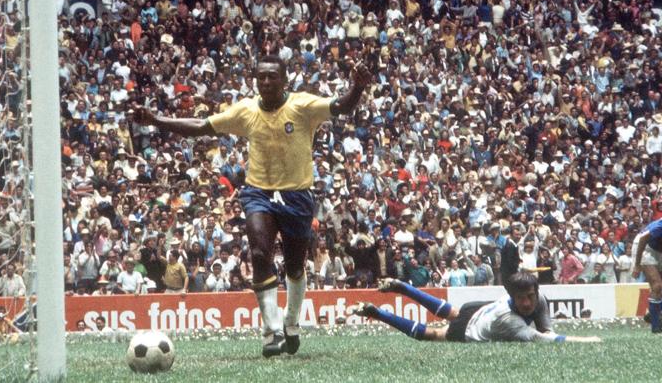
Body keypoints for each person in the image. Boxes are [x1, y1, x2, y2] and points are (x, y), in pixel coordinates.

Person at [134, 55, 371, 357]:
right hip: (258, 192)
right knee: (259, 253)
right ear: (255, 81)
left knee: (296, 265)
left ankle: (291, 323)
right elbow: (201, 126)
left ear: (284, 79)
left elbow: (342, 106)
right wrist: (156, 120)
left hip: (296, 194)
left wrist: (358, 88)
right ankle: (271, 332)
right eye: (261, 77)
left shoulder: (302, 106)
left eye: (273, 76)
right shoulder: (246, 111)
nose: (267, 81)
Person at [353, 272, 600, 343]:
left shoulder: (540, 300)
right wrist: (586, 339)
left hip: (476, 309)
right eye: (521, 298)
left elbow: (547, 327)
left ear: (536, 293)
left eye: (530, 297)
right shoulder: (511, 322)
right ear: (511, 297)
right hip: (471, 328)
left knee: (450, 311)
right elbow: (546, 339)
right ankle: (379, 313)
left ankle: (405, 288)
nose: (527, 303)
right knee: (434, 334)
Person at [631, 219, 662, 333]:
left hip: (658, 248)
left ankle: (654, 312)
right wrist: (637, 264)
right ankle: (656, 327)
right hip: (644, 247)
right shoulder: (660, 227)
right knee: (657, 285)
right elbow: (643, 239)